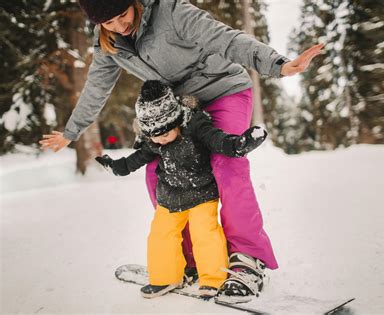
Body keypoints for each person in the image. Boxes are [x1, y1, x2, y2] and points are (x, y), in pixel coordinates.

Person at [39, 0, 324, 302]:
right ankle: (191, 258)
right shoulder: (110, 43)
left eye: (123, 14)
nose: (119, 26)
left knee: (227, 164)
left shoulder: (171, 12)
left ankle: (247, 258)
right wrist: (71, 132)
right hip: (177, 109)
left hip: (222, 90)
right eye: (108, 22)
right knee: (157, 174)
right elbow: (96, 88)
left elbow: (225, 38)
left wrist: (277, 64)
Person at [96, 80, 268, 298]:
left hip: (202, 195)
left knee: (205, 234)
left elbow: (216, 140)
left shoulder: (195, 125)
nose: (160, 139)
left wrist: (238, 145)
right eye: (154, 135)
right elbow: (138, 158)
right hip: (169, 198)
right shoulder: (155, 139)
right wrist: (118, 167)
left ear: (175, 119)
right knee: (160, 235)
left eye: (165, 132)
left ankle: (212, 279)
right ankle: (165, 278)